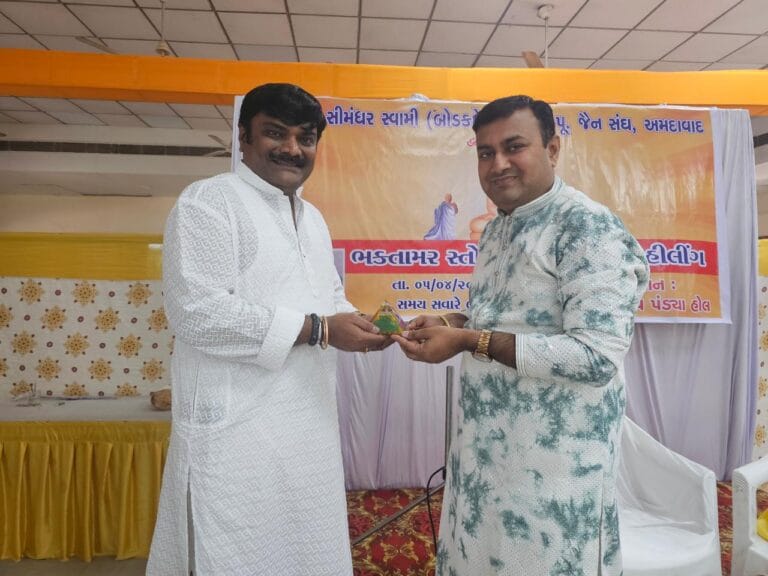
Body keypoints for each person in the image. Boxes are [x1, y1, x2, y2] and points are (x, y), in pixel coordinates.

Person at [393, 95, 649, 576]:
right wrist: (451, 323)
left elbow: (595, 356)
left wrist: (469, 342)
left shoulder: (586, 227)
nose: (498, 164)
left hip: (552, 467)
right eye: (485, 152)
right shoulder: (497, 229)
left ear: (552, 149)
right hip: (485, 453)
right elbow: (499, 317)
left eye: (514, 147)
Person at [147, 83, 388, 576]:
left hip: (308, 427)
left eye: (306, 138)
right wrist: (320, 330)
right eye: (276, 133)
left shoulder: (313, 218)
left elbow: (327, 299)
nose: (292, 149)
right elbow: (196, 312)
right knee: (236, 554)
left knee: (306, 550)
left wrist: (368, 326)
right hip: (238, 437)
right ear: (243, 138)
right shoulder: (209, 201)